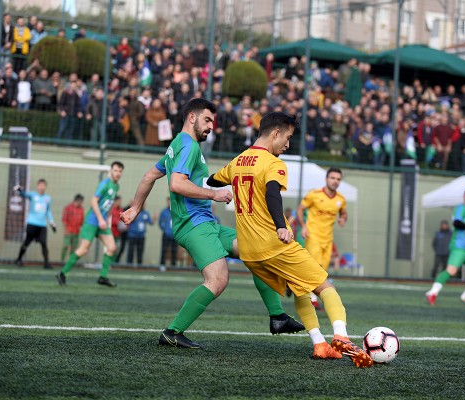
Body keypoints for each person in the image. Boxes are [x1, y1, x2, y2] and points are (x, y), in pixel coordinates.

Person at [120, 98, 305, 348]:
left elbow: (149, 176)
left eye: (213, 122)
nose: (211, 126)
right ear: (192, 118)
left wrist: (135, 207)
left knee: (256, 251)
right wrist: (213, 194)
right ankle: (172, 332)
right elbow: (176, 184)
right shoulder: (189, 147)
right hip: (193, 225)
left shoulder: (177, 145)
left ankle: (278, 317)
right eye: (207, 120)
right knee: (217, 280)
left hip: (207, 224)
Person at [207, 111, 373, 367]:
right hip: (273, 244)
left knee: (299, 288)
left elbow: (212, 179)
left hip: (248, 252)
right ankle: (341, 335)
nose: (287, 144)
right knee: (325, 286)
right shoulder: (273, 164)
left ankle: (320, 344)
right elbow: (273, 193)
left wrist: (217, 191)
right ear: (275, 133)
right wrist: (280, 227)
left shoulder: (238, 161)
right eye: (288, 137)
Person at [57, 161, 124, 287]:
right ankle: (62, 273)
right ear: (110, 171)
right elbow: (93, 201)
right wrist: (100, 220)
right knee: (83, 250)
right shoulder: (104, 184)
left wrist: (107, 218)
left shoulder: (116, 187)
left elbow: (109, 205)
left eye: (120, 171)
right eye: (115, 170)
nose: (117, 173)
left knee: (112, 248)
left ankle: (103, 277)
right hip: (93, 222)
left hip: (102, 223)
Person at [425, 188, 465, 307]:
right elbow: (456, 223)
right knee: (451, 271)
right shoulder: (461, 208)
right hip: (458, 247)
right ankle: (432, 292)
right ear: (464, 197)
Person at [296, 167, 347, 309]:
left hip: (328, 240)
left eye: (338, 179)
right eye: (332, 178)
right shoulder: (314, 194)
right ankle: (312, 299)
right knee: (316, 267)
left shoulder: (340, 199)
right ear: (326, 179)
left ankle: (296, 284)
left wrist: (343, 219)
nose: (335, 181)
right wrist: (303, 226)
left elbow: (343, 213)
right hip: (313, 236)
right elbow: (300, 209)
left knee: (323, 271)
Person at [14, 179, 56, 269]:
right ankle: (18, 259)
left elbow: (48, 211)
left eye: (43, 185)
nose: (41, 187)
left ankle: (46, 263)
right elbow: (23, 194)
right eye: (40, 185)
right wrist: (19, 189)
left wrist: (52, 222)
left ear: (45, 187)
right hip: (32, 223)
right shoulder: (32, 195)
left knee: (44, 243)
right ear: (37, 186)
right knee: (27, 242)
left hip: (42, 225)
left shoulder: (47, 198)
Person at [60, 194, 84, 262]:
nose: (81, 203)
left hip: (76, 231)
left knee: (74, 248)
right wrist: (65, 230)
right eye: (80, 201)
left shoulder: (81, 209)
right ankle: (62, 261)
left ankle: (70, 262)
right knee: (66, 246)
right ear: (77, 200)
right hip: (69, 230)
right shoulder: (68, 208)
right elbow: (64, 220)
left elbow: (82, 221)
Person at [158, 197, 177, 270]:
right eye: (168, 202)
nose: (170, 203)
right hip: (166, 235)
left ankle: (173, 266)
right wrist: (165, 229)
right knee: (164, 250)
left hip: (175, 235)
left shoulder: (176, 211)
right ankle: (162, 265)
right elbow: (160, 222)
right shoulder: (164, 212)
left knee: (174, 251)